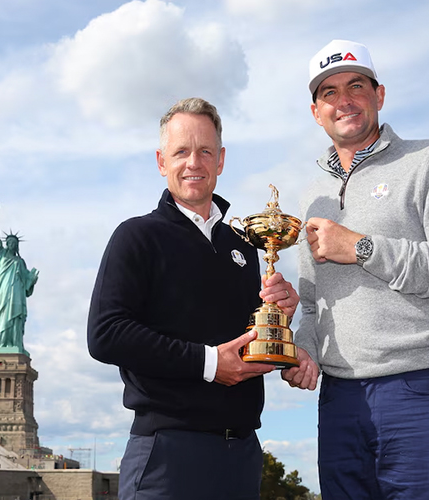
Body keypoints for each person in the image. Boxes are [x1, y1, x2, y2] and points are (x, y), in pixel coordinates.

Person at [281, 40, 429, 499]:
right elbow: (314, 304)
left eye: (356, 85)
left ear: (379, 95)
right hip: (338, 401)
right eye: (329, 93)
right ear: (316, 112)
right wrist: (303, 350)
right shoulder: (312, 194)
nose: (344, 100)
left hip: (418, 389)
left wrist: (362, 247)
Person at [87, 97, 299, 500]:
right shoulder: (136, 236)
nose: (193, 162)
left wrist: (284, 331)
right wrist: (209, 363)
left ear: (220, 160)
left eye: (205, 151)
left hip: (242, 454)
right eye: (181, 151)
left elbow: (243, 343)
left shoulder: (244, 245)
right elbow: (105, 334)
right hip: (168, 454)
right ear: (161, 161)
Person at [0, 205, 39, 351]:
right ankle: (1, 343)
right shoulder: (1, 255)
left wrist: (32, 280)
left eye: (14, 243)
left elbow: (26, 284)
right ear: (6, 244)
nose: (11, 244)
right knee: (3, 316)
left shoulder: (20, 262)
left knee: (16, 317)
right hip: (3, 292)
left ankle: (16, 344)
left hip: (16, 293)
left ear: (17, 246)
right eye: (9, 242)